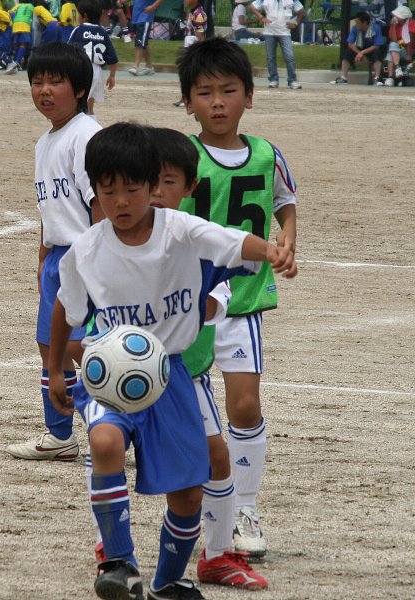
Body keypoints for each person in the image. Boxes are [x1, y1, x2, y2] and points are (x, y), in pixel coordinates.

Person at [47, 121, 294, 600]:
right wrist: (57, 369)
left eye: (132, 189)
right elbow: (65, 308)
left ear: (152, 186)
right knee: (104, 440)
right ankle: (118, 562)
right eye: (108, 191)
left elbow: (234, 241)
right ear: (94, 190)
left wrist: (273, 252)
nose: (121, 202)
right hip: (107, 378)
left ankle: (168, 581)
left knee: (188, 492)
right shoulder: (86, 250)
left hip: (171, 377)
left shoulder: (180, 232)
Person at [176, 37, 298, 561]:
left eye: (229, 90)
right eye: (205, 93)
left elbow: (285, 201)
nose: (218, 102)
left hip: (243, 299)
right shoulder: (181, 156)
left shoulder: (268, 154)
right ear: (188, 102)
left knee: (245, 405)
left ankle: (246, 508)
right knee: (199, 419)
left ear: (249, 95)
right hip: (191, 305)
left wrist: (287, 238)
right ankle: (207, 507)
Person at [148, 127, 269, 592]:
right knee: (109, 452)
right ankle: (110, 553)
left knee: (217, 459)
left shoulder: (191, 233)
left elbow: (230, 262)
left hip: (186, 372)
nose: (156, 193)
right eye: (147, 182)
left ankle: (216, 556)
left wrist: (272, 251)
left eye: (168, 182)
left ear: (188, 187)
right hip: (128, 371)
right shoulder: (115, 237)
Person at [7, 42, 102, 462]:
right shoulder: (45, 142)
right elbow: (50, 209)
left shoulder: (86, 135)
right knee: (51, 347)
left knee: (83, 349)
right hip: (59, 259)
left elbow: (100, 203)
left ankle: (121, 423)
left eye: (55, 82)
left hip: (85, 257)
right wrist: (43, 256)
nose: (44, 90)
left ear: (79, 89)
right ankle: (60, 434)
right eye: (37, 82)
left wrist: (100, 260)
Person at [68, 0, 118, 116]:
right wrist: (112, 76)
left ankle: (81, 123)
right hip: (97, 71)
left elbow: (68, 50)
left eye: (79, 14)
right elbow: (113, 58)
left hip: (81, 68)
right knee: (90, 104)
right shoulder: (103, 32)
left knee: (79, 103)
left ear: (84, 16)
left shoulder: (78, 29)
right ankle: (91, 121)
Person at [249, 0, 305, 89]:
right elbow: (252, 7)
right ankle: (273, 80)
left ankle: (292, 80)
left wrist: (295, 23)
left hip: (285, 33)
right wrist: (261, 17)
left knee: (289, 57)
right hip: (269, 32)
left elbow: (302, 11)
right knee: (270, 57)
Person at [331, 11, 384, 84]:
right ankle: (344, 77)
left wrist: (362, 53)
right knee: (348, 52)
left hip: (372, 48)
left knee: (377, 53)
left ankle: (377, 78)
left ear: (364, 23)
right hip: (360, 47)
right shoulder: (355, 28)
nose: (356, 24)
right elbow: (350, 43)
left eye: (358, 22)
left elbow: (377, 45)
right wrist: (360, 53)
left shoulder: (375, 28)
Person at [383, 4, 415, 86]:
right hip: (396, 49)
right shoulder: (394, 24)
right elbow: (394, 40)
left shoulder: (411, 23)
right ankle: (395, 72)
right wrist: (393, 27)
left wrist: (408, 54)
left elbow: (408, 41)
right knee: (392, 47)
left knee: (392, 49)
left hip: (407, 50)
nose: (395, 17)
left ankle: (391, 77)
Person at [128, 0, 163, 76]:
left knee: (139, 43)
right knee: (144, 43)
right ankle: (149, 67)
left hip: (145, 18)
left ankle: (135, 66)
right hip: (136, 18)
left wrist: (153, 7)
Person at [9, 0, 34, 69]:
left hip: (16, 24)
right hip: (24, 24)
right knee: (23, 44)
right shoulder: (31, 6)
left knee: (16, 44)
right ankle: (18, 62)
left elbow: (10, 12)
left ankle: (15, 61)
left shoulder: (18, 5)